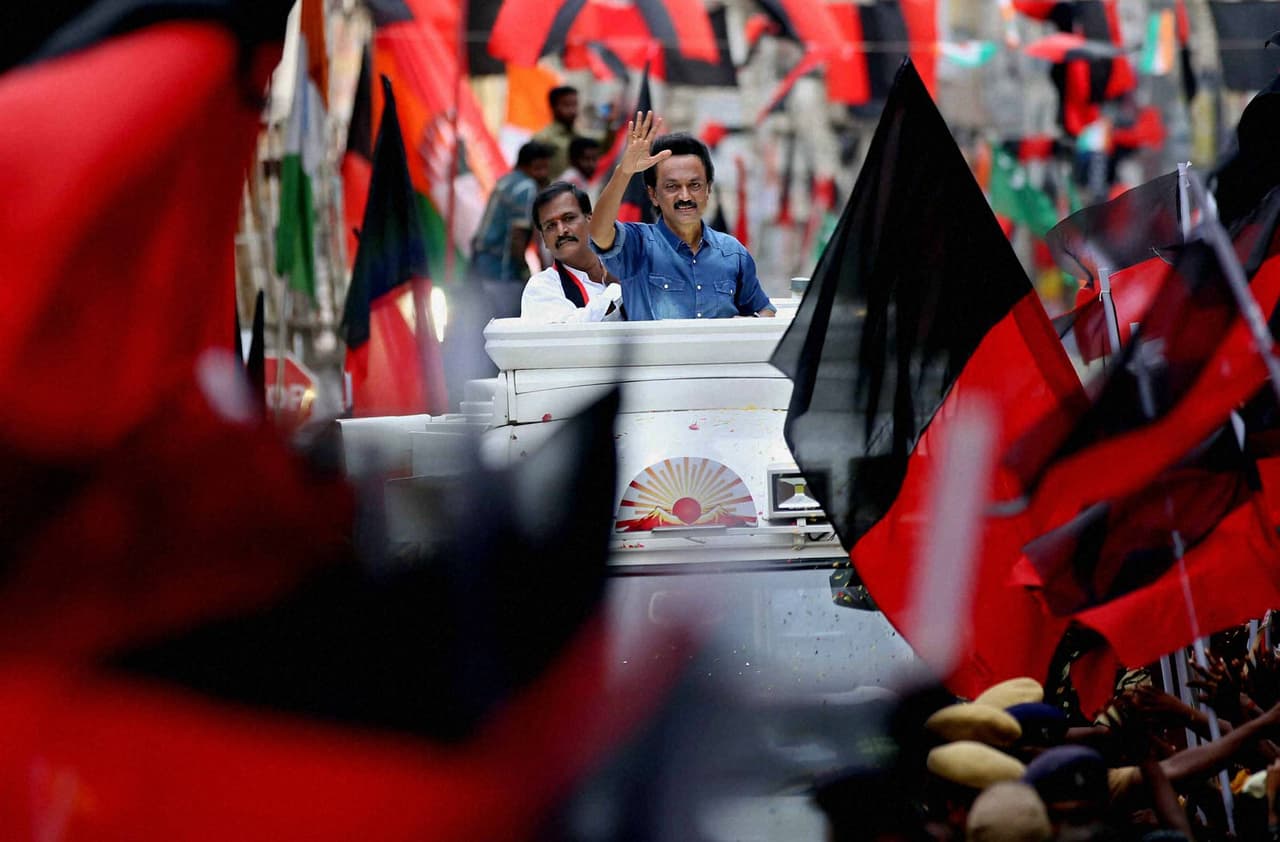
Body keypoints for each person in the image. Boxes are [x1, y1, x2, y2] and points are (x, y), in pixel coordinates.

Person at [588, 111, 775, 321]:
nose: (685, 196)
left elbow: (763, 309)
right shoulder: (637, 245)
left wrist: (751, 324)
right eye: (672, 187)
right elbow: (598, 232)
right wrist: (625, 171)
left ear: (708, 190)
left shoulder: (733, 252)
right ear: (653, 195)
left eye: (694, 185)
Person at [470, 140, 553, 316]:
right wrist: (526, 274)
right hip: (503, 271)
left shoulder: (505, 181)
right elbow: (517, 237)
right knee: (507, 326)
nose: (545, 174)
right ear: (527, 166)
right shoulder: (526, 188)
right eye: (540, 168)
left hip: (482, 266)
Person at [521, 182, 622, 324]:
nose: (561, 231)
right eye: (551, 226)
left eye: (569, 218)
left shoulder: (625, 263)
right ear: (544, 239)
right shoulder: (542, 287)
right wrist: (618, 289)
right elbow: (568, 334)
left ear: (591, 221)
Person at [532, 86, 584, 179]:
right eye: (567, 105)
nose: (573, 110)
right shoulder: (543, 138)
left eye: (575, 105)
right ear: (554, 107)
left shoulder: (579, 136)